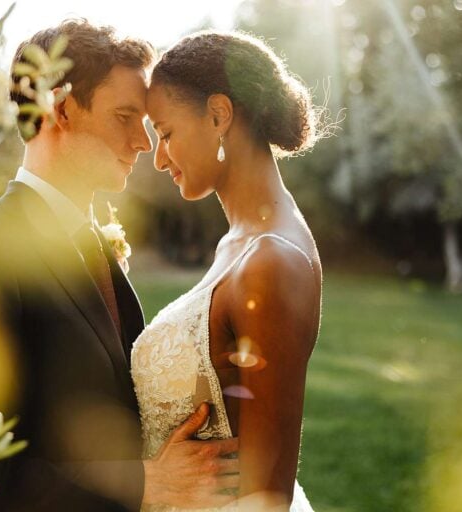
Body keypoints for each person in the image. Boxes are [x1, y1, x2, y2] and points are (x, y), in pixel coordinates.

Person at [0, 20, 238, 512]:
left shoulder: (95, 244)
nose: (143, 143)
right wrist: (139, 484)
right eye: (126, 117)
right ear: (61, 108)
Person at [134, 30, 324, 511]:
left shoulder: (271, 262)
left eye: (166, 133)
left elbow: (267, 497)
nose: (158, 158)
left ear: (218, 115)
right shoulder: (237, 243)